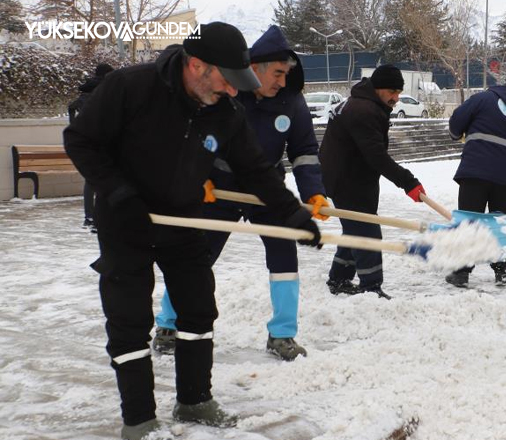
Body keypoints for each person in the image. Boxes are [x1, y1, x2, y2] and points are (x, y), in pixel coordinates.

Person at [63, 22, 322, 440]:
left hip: (183, 217)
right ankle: (140, 420)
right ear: (197, 65)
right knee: (129, 319)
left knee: (198, 308)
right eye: (227, 80)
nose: (234, 92)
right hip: (126, 219)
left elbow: (255, 169)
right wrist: (118, 194)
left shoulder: (224, 110)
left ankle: (194, 400)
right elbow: (81, 140)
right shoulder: (131, 87)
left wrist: (292, 215)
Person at [151, 25, 327, 362]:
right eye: (277, 73)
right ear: (255, 69)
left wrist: (314, 193)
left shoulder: (292, 102)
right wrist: (197, 176)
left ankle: (282, 335)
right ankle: (169, 324)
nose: (282, 81)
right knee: (195, 257)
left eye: (286, 74)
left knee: (284, 259)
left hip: (267, 191)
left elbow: (304, 152)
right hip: (219, 188)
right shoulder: (228, 93)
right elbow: (197, 136)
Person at [319, 64, 425, 298]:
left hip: (348, 175)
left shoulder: (360, 103)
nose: (396, 98)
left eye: (399, 92)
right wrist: (408, 182)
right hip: (347, 179)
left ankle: (339, 279)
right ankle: (371, 287)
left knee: (355, 228)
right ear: (377, 88)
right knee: (367, 232)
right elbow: (376, 155)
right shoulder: (363, 110)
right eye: (392, 92)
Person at [444, 69, 506, 288]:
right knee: (502, 224)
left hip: (475, 171)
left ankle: (461, 273)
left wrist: (457, 133)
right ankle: (502, 273)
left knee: (470, 221)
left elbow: (457, 119)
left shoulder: (483, 98)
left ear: (505, 84)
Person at [68, 62, 114, 233]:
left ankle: (89, 216)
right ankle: (100, 217)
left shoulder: (83, 94)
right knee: (107, 179)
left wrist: (76, 128)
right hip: (104, 141)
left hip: (88, 142)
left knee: (91, 180)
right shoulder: (105, 91)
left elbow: (71, 112)